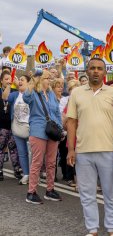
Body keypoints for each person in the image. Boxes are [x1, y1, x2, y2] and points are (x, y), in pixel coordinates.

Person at [66, 58, 113, 236]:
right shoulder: (76, 93)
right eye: (92, 68)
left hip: (108, 150)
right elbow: (71, 122)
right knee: (87, 194)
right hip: (83, 151)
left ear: (105, 72)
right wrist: (71, 149)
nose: (96, 71)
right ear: (87, 71)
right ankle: (92, 230)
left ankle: (112, 229)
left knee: (110, 193)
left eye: (99, 68)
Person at [23, 70, 62, 204]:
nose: (50, 80)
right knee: (37, 162)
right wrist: (33, 80)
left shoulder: (51, 94)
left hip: (52, 131)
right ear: (40, 80)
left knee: (51, 163)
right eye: (47, 78)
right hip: (38, 130)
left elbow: (56, 112)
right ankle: (31, 192)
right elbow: (25, 97)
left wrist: (60, 128)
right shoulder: (33, 93)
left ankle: (50, 190)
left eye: (50, 78)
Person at [5, 75, 31, 184]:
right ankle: (26, 174)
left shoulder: (31, 94)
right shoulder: (15, 94)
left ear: (28, 83)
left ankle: (33, 175)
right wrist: (9, 85)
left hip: (31, 128)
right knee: (22, 153)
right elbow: (5, 96)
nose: (19, 81)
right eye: (19, 80)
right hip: (17, 128)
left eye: (22, 80)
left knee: (32, 154)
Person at [0, 70, 22, 181]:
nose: (8, 81)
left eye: (10, 79)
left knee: (13, 148)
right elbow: (4, 97)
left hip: (12, 123)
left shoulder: (14, 91)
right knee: (1, 147)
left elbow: (22, 94)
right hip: (2, 124)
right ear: (1, 81)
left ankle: (17, 169)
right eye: (6, 79)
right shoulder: (2, 91)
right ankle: (0, 170)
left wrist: (18, 84)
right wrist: (9, 86)